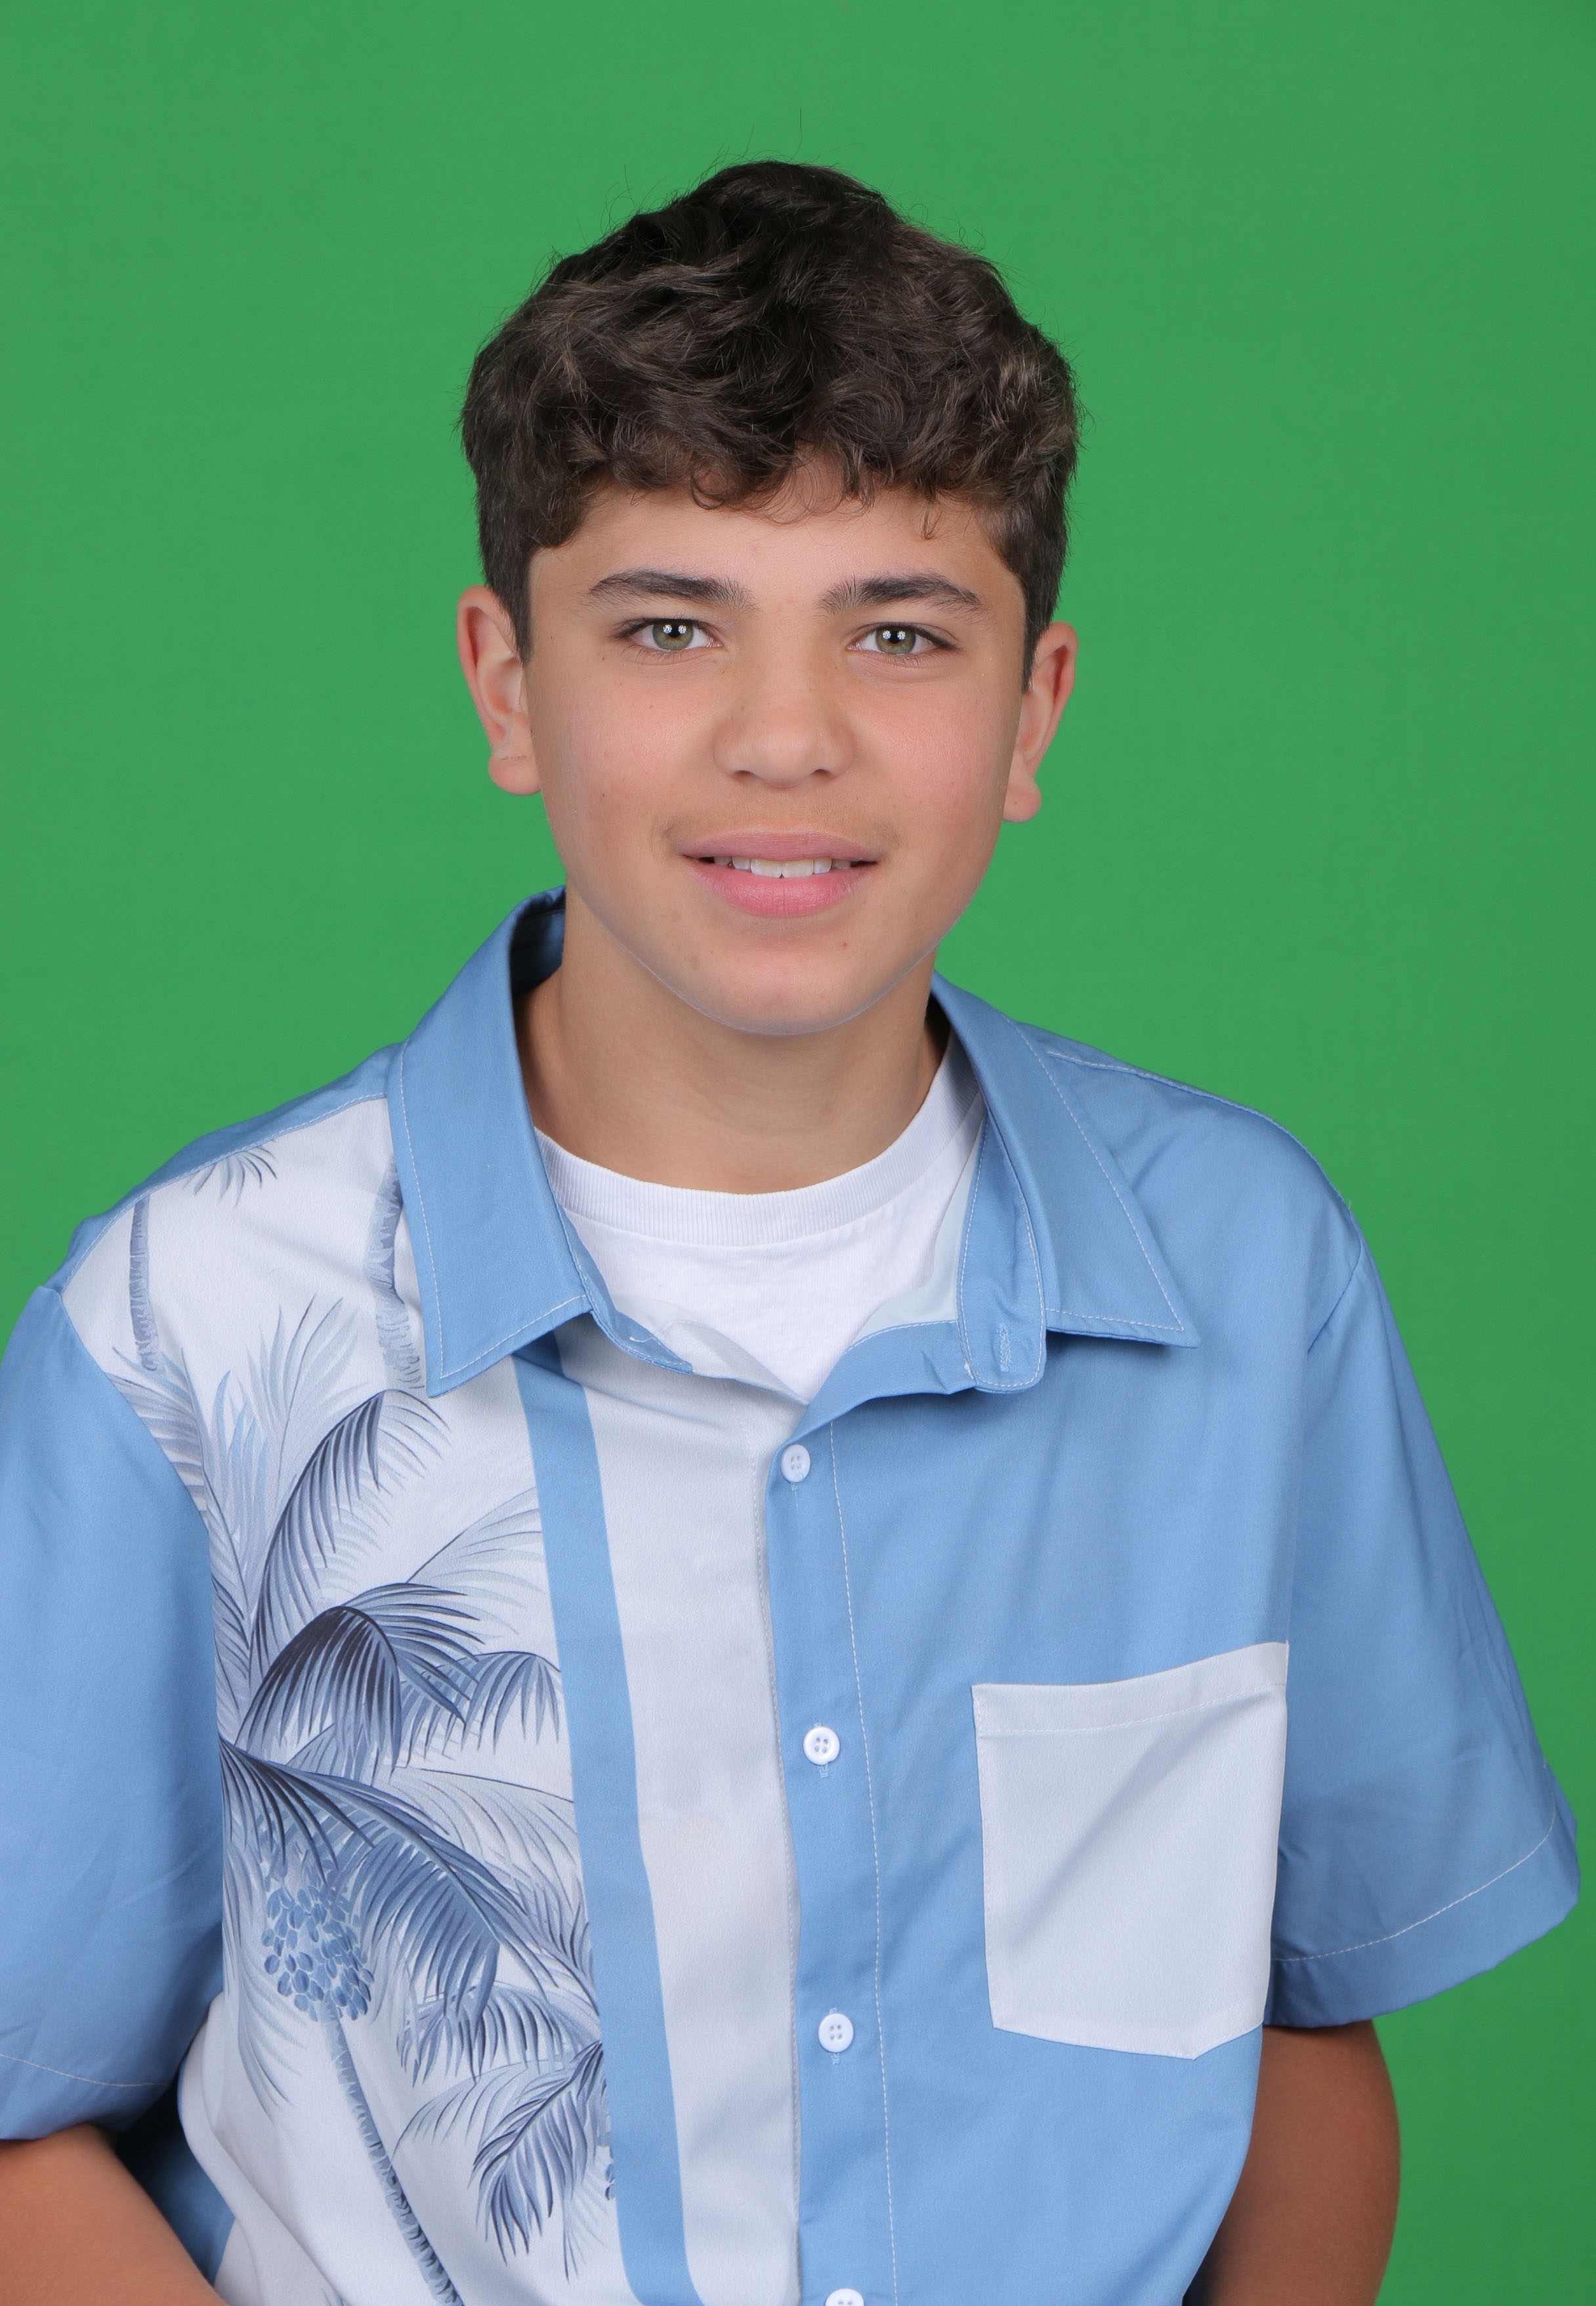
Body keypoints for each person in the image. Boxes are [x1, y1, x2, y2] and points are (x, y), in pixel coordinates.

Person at [0, 161, 1576, 2306]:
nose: (785, 738)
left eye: (899, 633)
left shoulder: (1247, 1273)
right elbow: (21, 2126)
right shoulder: (182, 1330)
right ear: (504, 685)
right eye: (669, 627)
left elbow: (1297, 2021)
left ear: (1033, 712)